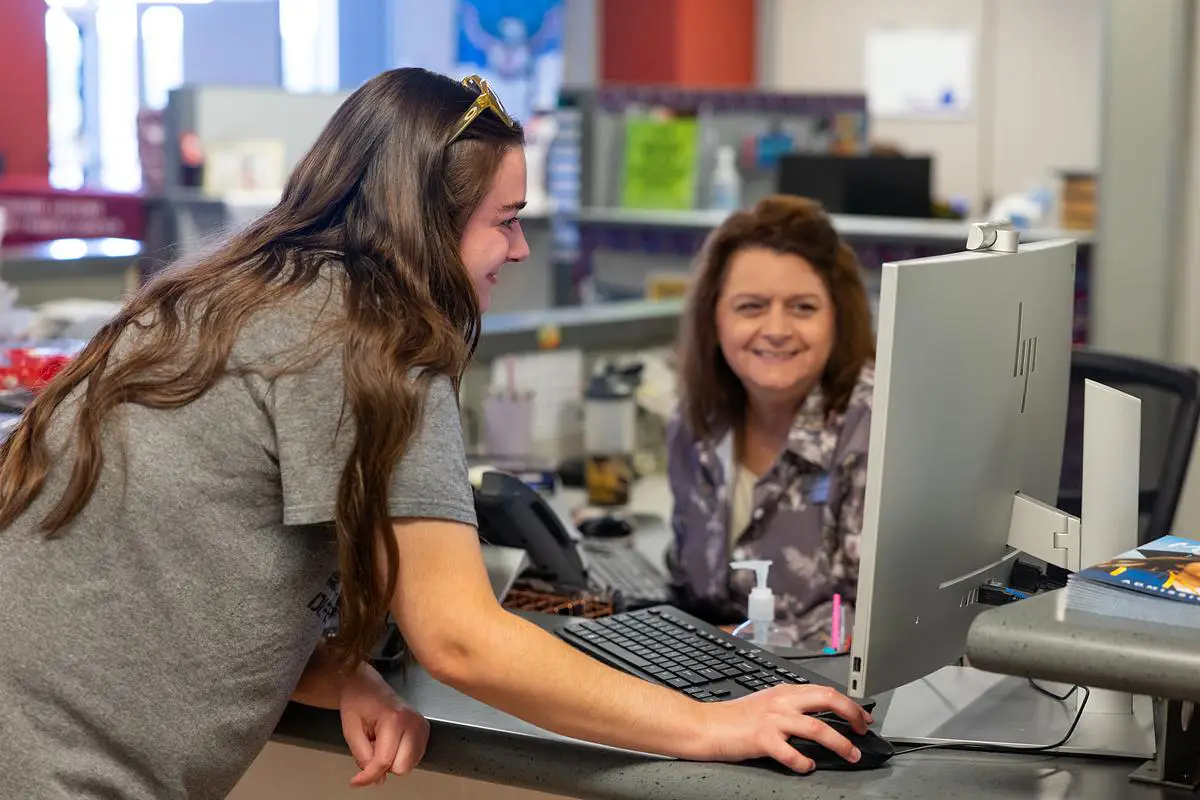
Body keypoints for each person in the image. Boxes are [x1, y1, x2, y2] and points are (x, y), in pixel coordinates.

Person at [0, 70, 872, 800]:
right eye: (505, 218)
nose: (519, 248)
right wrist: (710, 722)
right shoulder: (374, 344)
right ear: (425, 221)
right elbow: (459, 638)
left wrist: (336, 668)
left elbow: (196, 555)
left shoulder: (219, 299)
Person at [667, 195, 876, 648]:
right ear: (714, 316)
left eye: (803, 307)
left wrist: (724, 644)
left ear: (837, 319)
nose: (777, 329)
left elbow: (884, 623)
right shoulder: (695, 424)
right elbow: (690, 588)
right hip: (713, 689)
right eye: (751, 306)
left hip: (836, 699)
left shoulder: (876, 431)